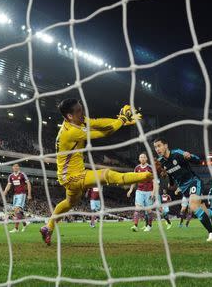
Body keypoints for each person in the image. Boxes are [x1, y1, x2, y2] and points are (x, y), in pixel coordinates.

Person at [40, 99, 151, 245]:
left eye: (82, 109)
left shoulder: (76, 122)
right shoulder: (72, 132)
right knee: (107, 175)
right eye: (79, 111)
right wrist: (122, 120)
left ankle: (48, 227)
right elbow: (105, 132)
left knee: (69, 203)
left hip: (70, 174)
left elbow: (98, 122)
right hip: (73, 177)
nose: (82, 113)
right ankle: (148, 175)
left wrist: (119, 120)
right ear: (69, 116)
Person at [154, 137, 212, 242]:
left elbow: (197, 160)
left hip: (193, 182)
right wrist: (170, 182)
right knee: (206, 212)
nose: (157, 149)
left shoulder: (177, 153)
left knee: (193, 206)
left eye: (159, 146)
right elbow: (170, 175)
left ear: (165, 146)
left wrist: (190, 156)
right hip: (184, 189)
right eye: (155, 147)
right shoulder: (161, 162)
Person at [127, 153, 156, 232]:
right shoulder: (137, 168)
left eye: (144, 157)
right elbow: (134, 180)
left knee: (149, 210)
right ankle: (135, 225)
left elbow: (154, 181)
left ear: (146, 159)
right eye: (141, 157)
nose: (142, 158)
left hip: (149, 191)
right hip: (139, 191)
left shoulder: (150, 168)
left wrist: (153, 192)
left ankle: (149, 226)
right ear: (139, 159)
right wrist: (131, 189)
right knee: (137, 208)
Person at [3, 164, 32, 233]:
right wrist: (5, 192)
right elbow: (8, 185)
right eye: (14, 167)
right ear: (12, 168)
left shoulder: (22, 174)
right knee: (18, 211)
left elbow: (28, 183)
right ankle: (25, 223)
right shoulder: (11, 176)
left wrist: (29, 194)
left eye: (17, 166)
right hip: (15, 195)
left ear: (18, 168)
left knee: (16, 210)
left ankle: (16, 228)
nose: (15, 168)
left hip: (22, 194)